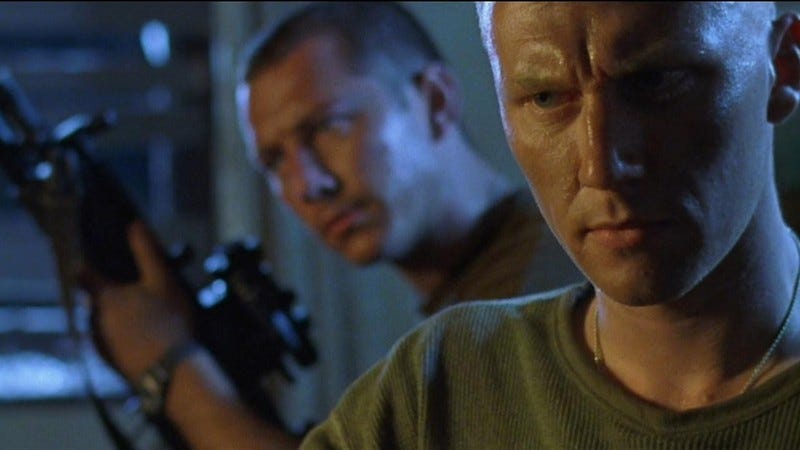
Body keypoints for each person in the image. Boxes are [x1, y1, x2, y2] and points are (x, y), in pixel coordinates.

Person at [80, 2, 581, 449]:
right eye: (275, 161)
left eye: (328, 126)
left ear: (435, 100)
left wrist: (171, 366)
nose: (306, 185)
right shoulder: (466, 313)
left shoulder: (553, 289)